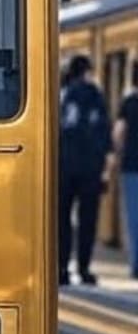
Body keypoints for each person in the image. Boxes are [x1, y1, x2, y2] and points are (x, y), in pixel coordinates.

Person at [59, 53, 112, 285]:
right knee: (87, 220)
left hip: (64, 166)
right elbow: (105, 134)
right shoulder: (96, 96)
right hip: (91, 167)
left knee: (62, 220)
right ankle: (84, 268)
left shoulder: (61, 95)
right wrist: (105, 172)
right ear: (88, 72)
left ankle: (62, 269)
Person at [114, 62, 138, 279]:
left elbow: (119, 132)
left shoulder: (129, 103)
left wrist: (117, 154)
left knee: (134, 217)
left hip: (132, 167)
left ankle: (136, 264)